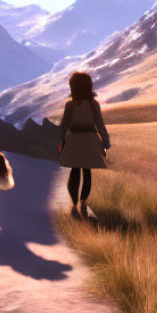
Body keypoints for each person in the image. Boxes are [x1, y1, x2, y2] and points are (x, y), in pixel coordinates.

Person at [58, 71, 110, 218]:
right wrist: (105, 143)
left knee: (75, 172)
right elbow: (100, 125)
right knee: (87, 173)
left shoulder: (70, 105)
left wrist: (62, 141)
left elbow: (64, 126)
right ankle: (83, 202)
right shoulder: (94, 104)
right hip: (90, 140)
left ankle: (74, 205)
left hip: (74, 140)